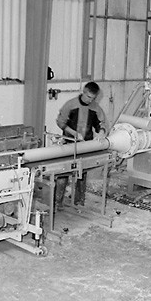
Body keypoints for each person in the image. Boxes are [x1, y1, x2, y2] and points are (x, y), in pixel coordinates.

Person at [54, 81, 108, 209]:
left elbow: (102, 123)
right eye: (89, 97)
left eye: (93, 98)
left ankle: (79, 202)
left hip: (85, 146)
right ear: (83, 92)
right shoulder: (70, 105)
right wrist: (74, 133)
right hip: (69, 144)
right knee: (63, 173)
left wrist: (101, 132)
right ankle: (57, 203)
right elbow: (60, 122)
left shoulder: (95, 108)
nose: (90, 101)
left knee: (82, 174)